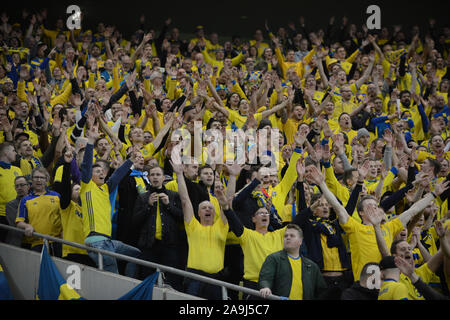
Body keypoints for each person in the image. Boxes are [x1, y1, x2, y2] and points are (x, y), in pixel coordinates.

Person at [79, 123, 141, 275]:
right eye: (97, 171)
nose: (102, 173)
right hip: (97, 242)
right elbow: (86, 166)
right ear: (90, 176)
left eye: (103, 171)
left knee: (137, 255)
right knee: (111, 274)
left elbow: (117, 175)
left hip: (109, 242)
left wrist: (130, 160)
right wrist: (90, 142)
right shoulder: (87, 187)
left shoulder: (105, 189)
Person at [171, 157, 229, 300]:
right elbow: (185, 200)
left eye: (210, 207)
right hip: (194, 278)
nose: (207, 209)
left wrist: (233, 177)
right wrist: (179, 175)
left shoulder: (220, 228)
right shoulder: (193, 226)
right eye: (203, 208)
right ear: (198, 213)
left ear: (215, 213)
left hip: (216, 280)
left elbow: (229, 203)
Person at [132, 165, 185, 290]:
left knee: (171, 281)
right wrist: (148, 206)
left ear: (163, 178)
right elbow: (135, 222)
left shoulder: (173, 195)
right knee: (148, 281)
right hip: (149, 246)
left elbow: (183, 218)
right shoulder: (142, 197)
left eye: (158, 175)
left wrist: (169, 205)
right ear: (149, 177)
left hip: (169, 245)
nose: (155, 177)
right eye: (152, 175)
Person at [258, 224, 327, 300]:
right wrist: (265, 287)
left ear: (300, 241)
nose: (288, 238)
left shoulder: (311, 266)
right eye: (285, 236)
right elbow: (265, 278)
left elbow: (321, 290)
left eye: (292, 236)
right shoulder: (273, 258)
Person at [16, 167, 62, 256]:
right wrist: (27, 226)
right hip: (37, 243)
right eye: (36, 177)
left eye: (42, 178)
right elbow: (19, 222)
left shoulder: (57, 196)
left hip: (57, 242)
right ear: (32, 180)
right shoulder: (26, 200)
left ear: (47, 180)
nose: (38, 180)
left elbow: (64, 217)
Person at [0, 142, 23, 242]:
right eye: (13, 151)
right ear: (5, 152)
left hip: (17, 214)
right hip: (1, 215)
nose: (16, 153)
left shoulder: (17, 170)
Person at [5, 176, 30, 247]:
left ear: (28, 186)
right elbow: (16, 223)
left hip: (33, 241)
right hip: (18, 242)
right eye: (17, 186)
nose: (19, 188)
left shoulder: (35, 201)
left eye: (22, 185)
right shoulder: (10, 205)